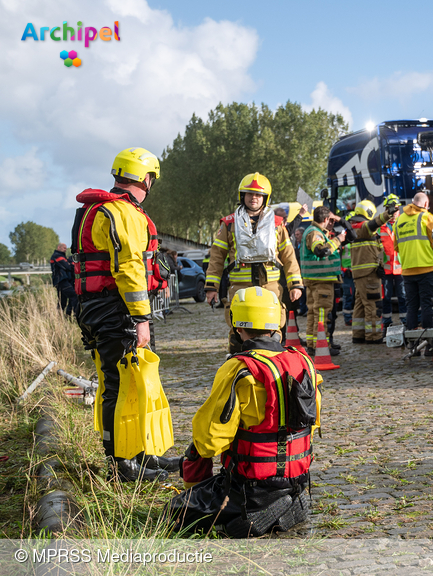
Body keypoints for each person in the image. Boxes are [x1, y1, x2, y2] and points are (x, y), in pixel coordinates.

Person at [167, 286, 321, 537]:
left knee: (173, 512)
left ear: (238, 327)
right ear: (277, 325)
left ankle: (247, 514)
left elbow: (209, 440)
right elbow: (312, 423)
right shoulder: (304, 363)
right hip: (296, 485)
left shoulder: (238, 369)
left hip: (250, 491)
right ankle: (287, 506)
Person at [71, 147, 179, 481]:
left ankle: (141, 454)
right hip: (117, 309)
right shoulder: (124, 213)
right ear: (147, 178)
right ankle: (122, 464)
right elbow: (130, 269)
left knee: (132, 383)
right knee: (120, 385)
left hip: (98, 307)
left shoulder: (95, 210)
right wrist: (141, 319)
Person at [205, 173, 303, 354]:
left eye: (258, 195)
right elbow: (217, 257)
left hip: (270, 287)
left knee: (273, 330)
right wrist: (211, 287)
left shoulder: (277, 224)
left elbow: (289, 256)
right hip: (240, 288)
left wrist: (295, 284)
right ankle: (238, 365)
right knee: (238, 332)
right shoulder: (229, 224)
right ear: (242, 196)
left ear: (265, 198)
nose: (254, 198)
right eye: (249, 194)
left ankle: (272, 368)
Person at [394, 192, 433, 356]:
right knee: (427, 306)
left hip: (408, 270)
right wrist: (431, 254)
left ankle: (413, 346)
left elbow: (396, 246)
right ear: (425, 203)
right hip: (426, 268)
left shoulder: (399, 220)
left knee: (412, 307)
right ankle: (429, 346)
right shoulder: (428, 217)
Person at [348, 200, 394, 344]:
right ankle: (373, 336)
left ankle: (359, 334)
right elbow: (374, 223)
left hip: (361, 273)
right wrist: (388, 214)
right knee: (373, 306)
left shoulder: (353, 227)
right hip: (369, 274)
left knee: (360, 305)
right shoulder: (363, 227)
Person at [301, 206, 345, 355]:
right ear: (326, 219)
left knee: (313, 313)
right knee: (322, 314)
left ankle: (313, 344)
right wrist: (338, 240)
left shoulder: (311, 231)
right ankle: (322, 345)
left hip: (314, 279)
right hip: (321, 280)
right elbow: (321, 251)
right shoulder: (315, 233)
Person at [378, 195, 407, 330]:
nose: (394, 212)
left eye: (396, 209)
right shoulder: (380, 227)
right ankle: (387, 321)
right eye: (391, 210)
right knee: (386, 298)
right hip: (386, 269)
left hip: (401, 268)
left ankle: (405, 320)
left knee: (403, 296)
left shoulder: (403, 223)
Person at [49, 242, 77, 317]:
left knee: (62, 302)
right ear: (59, 247)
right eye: (64, 248)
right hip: (61, 280)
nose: (65, 249)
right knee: (74, 296)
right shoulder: (57, 256)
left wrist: (69, 265)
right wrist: (70, 265)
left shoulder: (61, 256)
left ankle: (61, 318)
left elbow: (68, 265)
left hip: (60, 281)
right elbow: (67, 267)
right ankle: (76, 315)